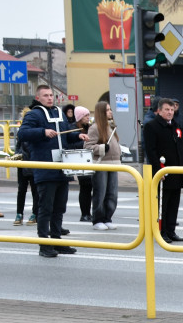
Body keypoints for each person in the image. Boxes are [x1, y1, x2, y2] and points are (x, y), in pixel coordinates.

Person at [16, 85, 82, 258]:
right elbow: (22, 134)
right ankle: (44, 244)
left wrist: (78, 136)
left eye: (51, 95)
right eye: (45, 95)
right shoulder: (33, 114)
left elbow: (66, 136)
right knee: (45, 208)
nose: (50, 98)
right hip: (45, 168)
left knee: (59, 207)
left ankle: (57, 240)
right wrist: (42, 132)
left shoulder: (59, 113)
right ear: (38, 98)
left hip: (62, 167)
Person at [144, 98, 183, 243]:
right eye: (167, 110)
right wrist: (158, 170)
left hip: (176, 170)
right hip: (163, 172)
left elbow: (181, 148)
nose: (170, 112)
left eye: (172, 109)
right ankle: (161, 231)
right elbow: (151, 151)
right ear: (159, 110)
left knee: (174, 202)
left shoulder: (176, 125)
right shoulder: (152, 126)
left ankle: (171, 230)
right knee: (162, 203)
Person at [84, 101, 121, 230]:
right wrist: (101, 148)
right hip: (101, 164)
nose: (110, 112)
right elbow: (88, 146)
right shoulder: (95, 128)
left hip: (113, 164)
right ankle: (97, 219)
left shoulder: (111, 127)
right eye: (107, 110)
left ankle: (108, 217)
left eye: (110, 109)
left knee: (112, 193)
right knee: (101, 192)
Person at [13, 102, 40, 226]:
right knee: (21, 189)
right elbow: (18, 145)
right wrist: (18, 154)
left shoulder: (38, 129)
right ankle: (19, 213)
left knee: (35, 190)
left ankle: (35, 213)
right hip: (23, 163)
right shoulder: (23, 129)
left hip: (34, 162)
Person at [69, 106, 93, 221]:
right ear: (79, 117)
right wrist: (85, 144)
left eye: (88, 115)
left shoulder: (89, 127)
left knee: (90, 187)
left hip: (90, 160)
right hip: (80, 160)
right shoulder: (73, 129)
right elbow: (70, 145)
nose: (88, 118)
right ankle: (85, 213)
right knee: (85, 187)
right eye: (85, 116)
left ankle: (89, 213)